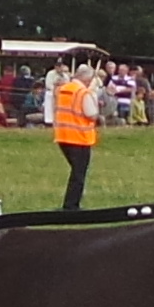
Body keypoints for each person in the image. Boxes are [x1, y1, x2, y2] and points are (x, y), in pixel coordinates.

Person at [50, 61, 101, 210]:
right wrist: (93, 94)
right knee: (79, 174)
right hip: (79, 138)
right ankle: (71, 206)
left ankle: (71, 204)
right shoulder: (83, 93)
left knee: (76, 172)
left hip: (63, 136)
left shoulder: (63, 89)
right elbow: (92, 114)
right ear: (88, 80)